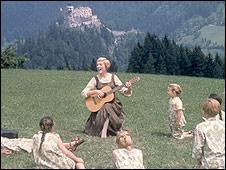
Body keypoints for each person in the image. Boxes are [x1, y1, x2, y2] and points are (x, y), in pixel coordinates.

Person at [81, 56, 132, 138]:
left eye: (100, 64)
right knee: (105, 107)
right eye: (97, 65)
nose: (98, 66)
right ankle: (103, 131)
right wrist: (95, 91)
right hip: (99, 105)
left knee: (107, 106)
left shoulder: (113, 77)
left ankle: (104, 132)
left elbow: (124, 91)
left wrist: (128, 87)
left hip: (113, 104)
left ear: (106, 66)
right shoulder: (95, 79)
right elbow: (83, 93)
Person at [192, 98, 225, 169]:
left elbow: (197, 148)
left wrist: (198, 161)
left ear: (204, 111)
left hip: (208, 164)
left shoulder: (201, 127)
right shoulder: (223, 125)